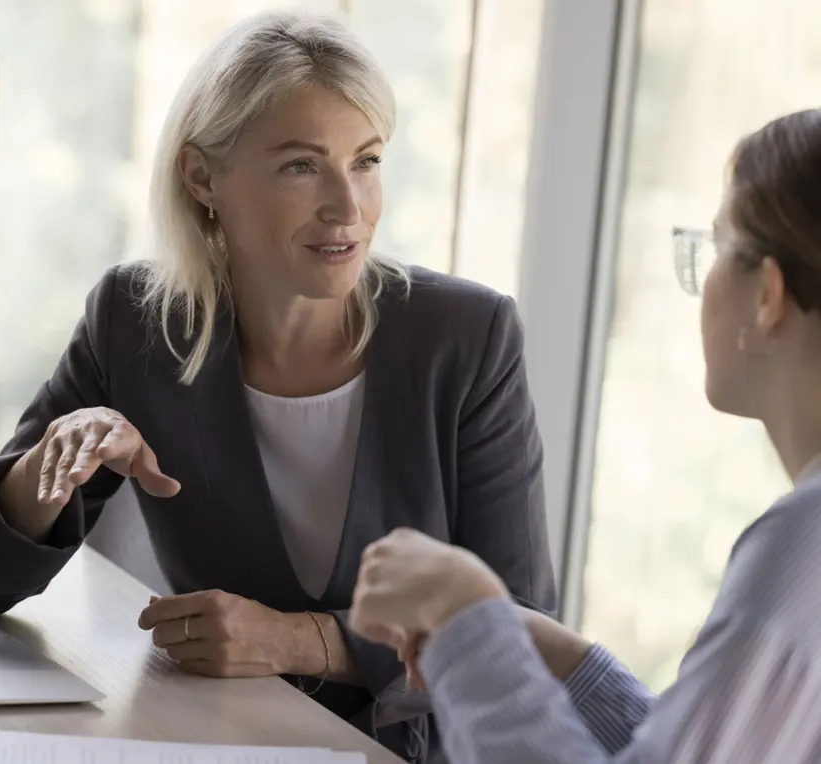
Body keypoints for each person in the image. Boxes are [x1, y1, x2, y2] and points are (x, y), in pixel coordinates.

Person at [0, 10, 555, 759]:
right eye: (300, 165)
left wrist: (300, 641)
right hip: (219, 742)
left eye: (366, 160)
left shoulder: (466, 337)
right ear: (202, 177)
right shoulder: (138, 322)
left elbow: (520, 624)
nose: (347, 208)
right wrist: (49, 465)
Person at [349, 107, 821, 764]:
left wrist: (466, 616)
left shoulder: (804, 542)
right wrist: (551, 654)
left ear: (767, 293)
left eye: (716, 247)